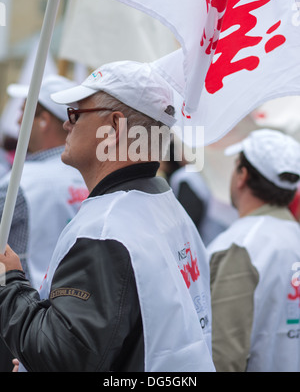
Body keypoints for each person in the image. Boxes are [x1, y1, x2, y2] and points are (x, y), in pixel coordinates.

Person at [0, 60, 215, 372]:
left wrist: (10, 282)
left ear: (114, 127)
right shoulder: (167, 206)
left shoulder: (106, 229)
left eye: (75, 113)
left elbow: (64, 358)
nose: (66, 124)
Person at [0, 75, 88, 372]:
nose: (17, 117)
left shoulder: (18, 185)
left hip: (19, 319)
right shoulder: (90, 177)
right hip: (70, 323)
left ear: (44, 120)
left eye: (24, 109)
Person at [207, 129, 300, 372]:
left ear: (242, 176)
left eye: (236, 165)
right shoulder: (291, 235)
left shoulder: (240, 245)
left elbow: (223, 357)